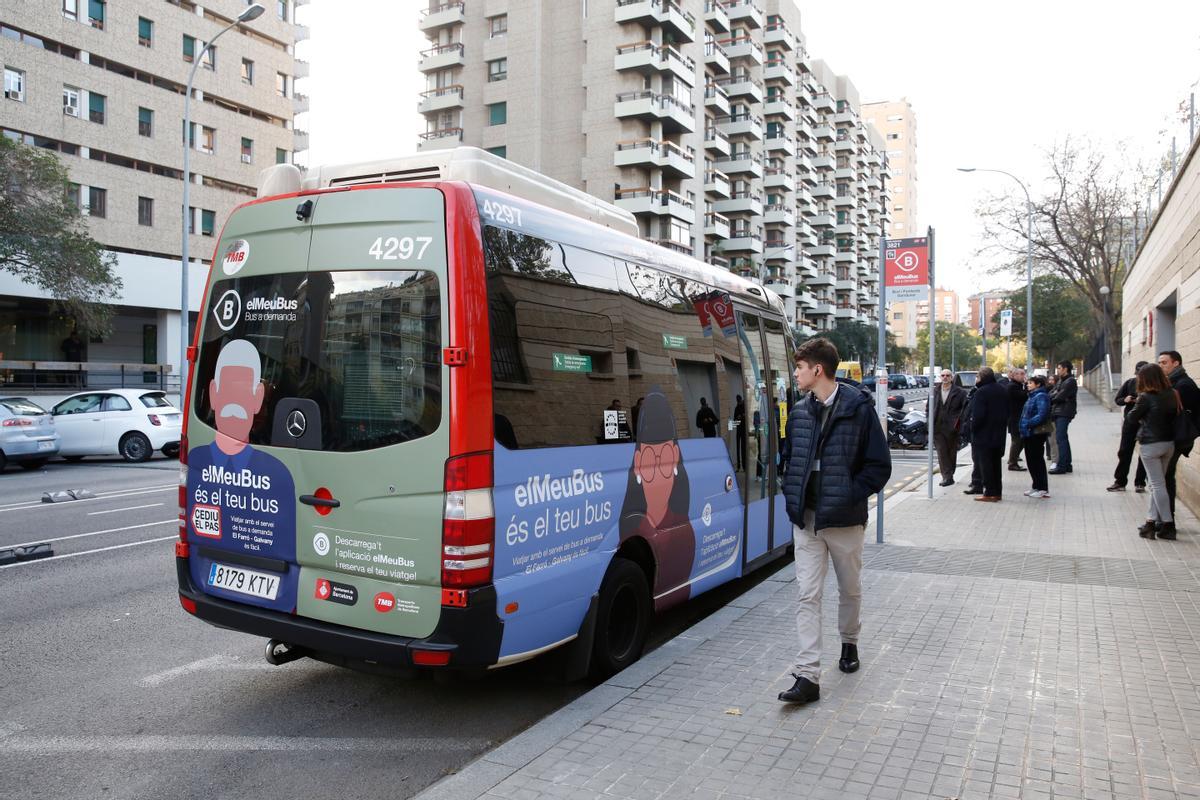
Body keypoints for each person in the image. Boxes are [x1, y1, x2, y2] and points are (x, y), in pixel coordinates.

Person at [777, 338, 891, 705]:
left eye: (799, 367)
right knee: (807, 594)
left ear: (817, 370)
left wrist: (848, 494)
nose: (795, 374)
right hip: (807, 521)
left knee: (850, 589)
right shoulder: (798, 412)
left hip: (844, 521)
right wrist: (790, 491)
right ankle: (807, 675)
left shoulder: (859, 409)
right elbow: (788, 460)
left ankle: (850, 642)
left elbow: (879, 466)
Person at [1129, 363, 1178, 540]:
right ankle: (1150, 523)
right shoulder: (1172, 393)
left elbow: (1131, 418)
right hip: (1169, 443)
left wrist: (1138, 408)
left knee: (1157, 486)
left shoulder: (1146, 397)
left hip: (1150, 444)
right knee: (1158, 486)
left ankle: (1167, 524)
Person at [1158, 350, 1200, 519]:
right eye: (1159, 363)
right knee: (1165, 477)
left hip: (1176, 438)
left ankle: (1168, 521)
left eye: (1164, 363)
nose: (1160, 366)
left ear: (1176, 363)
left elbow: (1184, 416)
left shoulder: (1183, 385)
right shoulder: (1173, 382)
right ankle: (1165, 518)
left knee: (1166, 477)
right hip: (1173, 437)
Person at [1108, 361, 1149, 493]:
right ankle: (1120, 482)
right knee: (1124, 451)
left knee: (1144, 453)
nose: (1140, 378)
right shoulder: (1130, 383)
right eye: (1138, 374)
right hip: (1130, 422)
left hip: (1146, 423)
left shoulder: (1152, 385)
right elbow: (1118, 400)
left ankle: (1140, 482)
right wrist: (1125, 400)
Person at [970, 366, 1009, 502]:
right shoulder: (1002, 390)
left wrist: (972, 429)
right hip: (999, 433)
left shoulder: (981, 392)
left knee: (985, 465)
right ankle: (997, 492)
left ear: (982, 377)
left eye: (977, 377)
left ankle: (989, 493)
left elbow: (978, 416)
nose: (976, 379)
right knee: (996, 465)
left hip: (984, 435)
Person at [931, 368, 967, 486]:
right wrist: (929, 420)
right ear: (940, 377)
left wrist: (959, 421)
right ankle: (946, 476)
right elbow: (929, 408)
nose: (945, 377)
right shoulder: (934, 391)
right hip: (937, 426)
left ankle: (950, 474)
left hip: (953, 427)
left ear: (952, 378)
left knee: (951, 452)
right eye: (943, 375)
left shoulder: (960, 392)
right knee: (942, 451)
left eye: (948, 375)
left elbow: (964, 409)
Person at [1019, 375, 1053, 498]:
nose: (1028, 385)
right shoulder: (1032, 396)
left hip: (1036, 433)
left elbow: (1042, 414)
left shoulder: (1041, 396)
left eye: (1030, 383)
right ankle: (1036, 485)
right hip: (1028, 433)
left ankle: (1042, 488)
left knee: (1037, 460)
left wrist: (1028, 423)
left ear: (1038, 384)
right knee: (1031, 460)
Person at [1048, 361, 1077, 474]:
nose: (1058, 370)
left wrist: (1052, 397)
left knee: (1061, 439)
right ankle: (1067, 464)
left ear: (1065, 369)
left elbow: (1060, 396)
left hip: (1064, 412)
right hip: (1059, 411)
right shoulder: (1061, 381)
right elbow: (1053, 392)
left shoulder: (1070, 381)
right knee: (1062, 438)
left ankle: (1062, 466)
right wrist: (1053, 396)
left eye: (1059, 368)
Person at [1005, 367, 1028, 471]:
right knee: (1017, 440)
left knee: (1021, 440)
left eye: (1024, 374)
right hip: (1014, 418)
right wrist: (1028, 387)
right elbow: (1022, 396)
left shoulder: (1017, 385)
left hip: (1018, 417)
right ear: (1014, 375)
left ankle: (1013, 459)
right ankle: (1012, 462)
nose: (1024, 376)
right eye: (1021, 374)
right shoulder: (1012, 387)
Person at [733, 394, 746, 469]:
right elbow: (734, 420)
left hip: (742, 429)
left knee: (743, 448)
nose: (738, 402)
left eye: (739, 401)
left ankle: (743, 465)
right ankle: (739, 465)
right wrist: (738, 418)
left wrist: (742, 416)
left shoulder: (743, 407)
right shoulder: (737, 408)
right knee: (739, 447)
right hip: (739, 429)